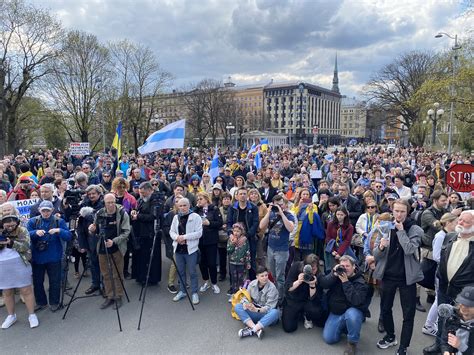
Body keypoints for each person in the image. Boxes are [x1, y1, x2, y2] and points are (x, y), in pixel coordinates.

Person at [374, 199, 424, 355]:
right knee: (385, 308)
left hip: (406, 278)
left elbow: (409, 249)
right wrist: (381, 246)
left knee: (408, 314)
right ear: (392, 210)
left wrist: (401, 231)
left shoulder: (415, 229)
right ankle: (390, 336)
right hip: (388, 275)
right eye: (396, 211)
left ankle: (403, 347)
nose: (399, 214)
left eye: (402, 211)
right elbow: (376, 254)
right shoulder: (386, 226)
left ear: (407, 211)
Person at [424, 210, 474, 355]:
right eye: (460, 220)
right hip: (444, 287)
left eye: (465, 222)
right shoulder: (450, 236)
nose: (460, 223)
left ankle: (453, 350)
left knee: (459, 323)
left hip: (463, 293)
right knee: (442, 318)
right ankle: (439, 345)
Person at [27, 201, 72, 312]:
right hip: (37, 258)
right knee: (38, 282)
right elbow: (25, 236)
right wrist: (35, 233)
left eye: (48, 210)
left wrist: (59, 230)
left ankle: (54, 302)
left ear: (52, 210)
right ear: (39, 210)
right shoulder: (33, 221)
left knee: (55, 281)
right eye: (43, 210)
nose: (46, 213)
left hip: (54, 257)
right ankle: (41, 302)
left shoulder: (59, 221)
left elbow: (69, 236)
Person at [320, 255, 368, 355]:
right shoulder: (337, 274)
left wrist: (345, 282)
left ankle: (352, 343)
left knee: (352, 315)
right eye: (342, 266)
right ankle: (346, 327)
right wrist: (333, 274)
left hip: (352, 311)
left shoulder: (360, 281)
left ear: (354, 266)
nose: (344, 269)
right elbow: (324, 284)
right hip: (337, 312)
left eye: (347, 266)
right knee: (329, 338)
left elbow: (356, 300)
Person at [89, 193, 130, 310]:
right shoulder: (99, 213)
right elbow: (95, 228)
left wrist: (114, 241)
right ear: (104, 203)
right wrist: (92, 229)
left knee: (117, 273)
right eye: (108, 203)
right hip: (102, 247)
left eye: (113, 202)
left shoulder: (122, 213)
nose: (111, 205)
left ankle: (118, 296)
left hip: (116, 247)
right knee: (106, 274)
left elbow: (126, 232)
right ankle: (110, 295)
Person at [0, 205, 39, 329]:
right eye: (7, 224)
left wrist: (11, 242)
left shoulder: (22, 230)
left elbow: (26, 246)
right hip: (3, 265)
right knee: (7, 292)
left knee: (26, 290)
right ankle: (11, 316)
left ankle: (31, 315)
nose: (10, 226)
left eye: (12, 223)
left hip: (20, 263)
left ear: (16, 221)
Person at [422, 213, 458, 337]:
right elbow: (436, 256)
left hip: (446, 272)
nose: (457, 224)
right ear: (448, 223)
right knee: (439, 299)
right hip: (441, 272)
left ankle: (433, 323)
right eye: (455, 222)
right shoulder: (440, 236)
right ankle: (428, 325)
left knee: (441, 299)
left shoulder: (449, 235)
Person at [259, 195, 295, 303]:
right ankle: (274, 293)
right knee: (273, 274)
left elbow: (291, 228)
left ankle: (280, 298)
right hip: (271, 248)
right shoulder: (271, 214)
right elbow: (261, 226)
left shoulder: (289, 215)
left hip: (282, 250)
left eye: (281, 203)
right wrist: (269, 211)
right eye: (277, 204)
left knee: (280, 276)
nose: (279, 206)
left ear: (285, 204)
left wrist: (281, 213)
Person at [169, 197, 203, 305]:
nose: (183, 208)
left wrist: (184, 237)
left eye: (185, 205)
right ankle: (182, 291)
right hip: (178, 249)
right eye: (180, 206)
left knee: (192, 272)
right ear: (177, 207)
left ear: (189, 206)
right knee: (181, 272)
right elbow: (171, 231)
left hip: (191, 250)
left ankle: (194, 293)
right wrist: (177, 238)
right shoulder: (175, 217)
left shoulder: (196, 217)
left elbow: (199, 233)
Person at [282, 254, 326, 333]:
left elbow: (315, 297)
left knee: (319, 317)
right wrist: (298, 282)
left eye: (314, 269)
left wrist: (312, 285)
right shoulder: (296, 267)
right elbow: (287, 288)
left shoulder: (319, 275)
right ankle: (298, 315)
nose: (312, 272)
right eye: (309, 270)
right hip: (294, 300)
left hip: (308, 301)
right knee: (289, 328)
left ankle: (307, 315)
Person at [234, 266, 280, 339]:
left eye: (266, 275)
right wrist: (246, 304)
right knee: (237, 306)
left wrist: (256, 310)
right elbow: (245, 297)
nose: (265, 278)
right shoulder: (252, 284)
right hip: (255, 311)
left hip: (265, 315)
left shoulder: (272, 288)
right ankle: (256, 329)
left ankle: (252, 330)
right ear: (257, 277)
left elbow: (269, 308)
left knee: (275, 312)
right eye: (262, 276)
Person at [131, 182, 161, 286]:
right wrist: (134, 212)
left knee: (151, 257)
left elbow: (153, 216)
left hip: (150, 233)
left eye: (143, 193)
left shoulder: (155, 200)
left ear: (149, 190)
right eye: (140, 193)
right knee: (141, 257)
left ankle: (151, 278)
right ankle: (141, 276)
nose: (142, 195)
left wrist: (138, 216)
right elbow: (136, 209)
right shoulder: (140, 199)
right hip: (140, 232)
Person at [227, 187, 259, 279]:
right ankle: (234, 286)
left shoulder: (253, 207)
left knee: (251, 261)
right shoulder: (232, 207)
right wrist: (231, 235)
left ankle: (252, 282)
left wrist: (246, 236)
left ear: (247, 195)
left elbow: (255, 223)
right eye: (240, 194)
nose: (242, 196)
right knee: (233, 261)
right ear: (236, 196)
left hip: (249, 238)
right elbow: (229, 223)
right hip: (235, 238)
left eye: (244, 194)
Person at [195, 192, 223, 295]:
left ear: (206, 199)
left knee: (211, 263)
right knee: (202, 263)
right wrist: (196, 207)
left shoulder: (214, 209)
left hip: (211, 240)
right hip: (200, 240)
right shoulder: (197, 210)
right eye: (198, 199)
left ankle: (214, 283)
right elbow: (189, 217)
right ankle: (206, 281)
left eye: (201, 199)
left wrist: (209, 223)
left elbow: (220, 223)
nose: (199, 201)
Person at [440, 286, 474, 355]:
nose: (464, 307)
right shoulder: (452, 316)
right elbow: (444, 340)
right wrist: (446, 351)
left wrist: (460, 345)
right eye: (462, 302)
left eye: (469, 305)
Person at [325, 207, 355, 272]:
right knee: (331, 267)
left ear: (345, 215)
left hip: (344, 248)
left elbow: (347, 241)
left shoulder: (350, 227)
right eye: (338, 214)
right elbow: (328, 237)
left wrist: (339, 253)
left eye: (341, 215)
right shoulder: (331, 224)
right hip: (332, 247)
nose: (339, 216)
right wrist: (333, 251)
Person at [227, 223, 250, 298]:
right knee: (234, 279)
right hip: (232, 263)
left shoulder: (245, 240)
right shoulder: (231, 239)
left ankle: (241, 295)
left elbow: (247, 252)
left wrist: (248, 262)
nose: (236, 233)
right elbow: (228, 250)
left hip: (241, 263)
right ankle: (234, 294)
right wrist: (233, 244)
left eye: (238, 231)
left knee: (241, 279)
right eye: (234, 231)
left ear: (242, 232)